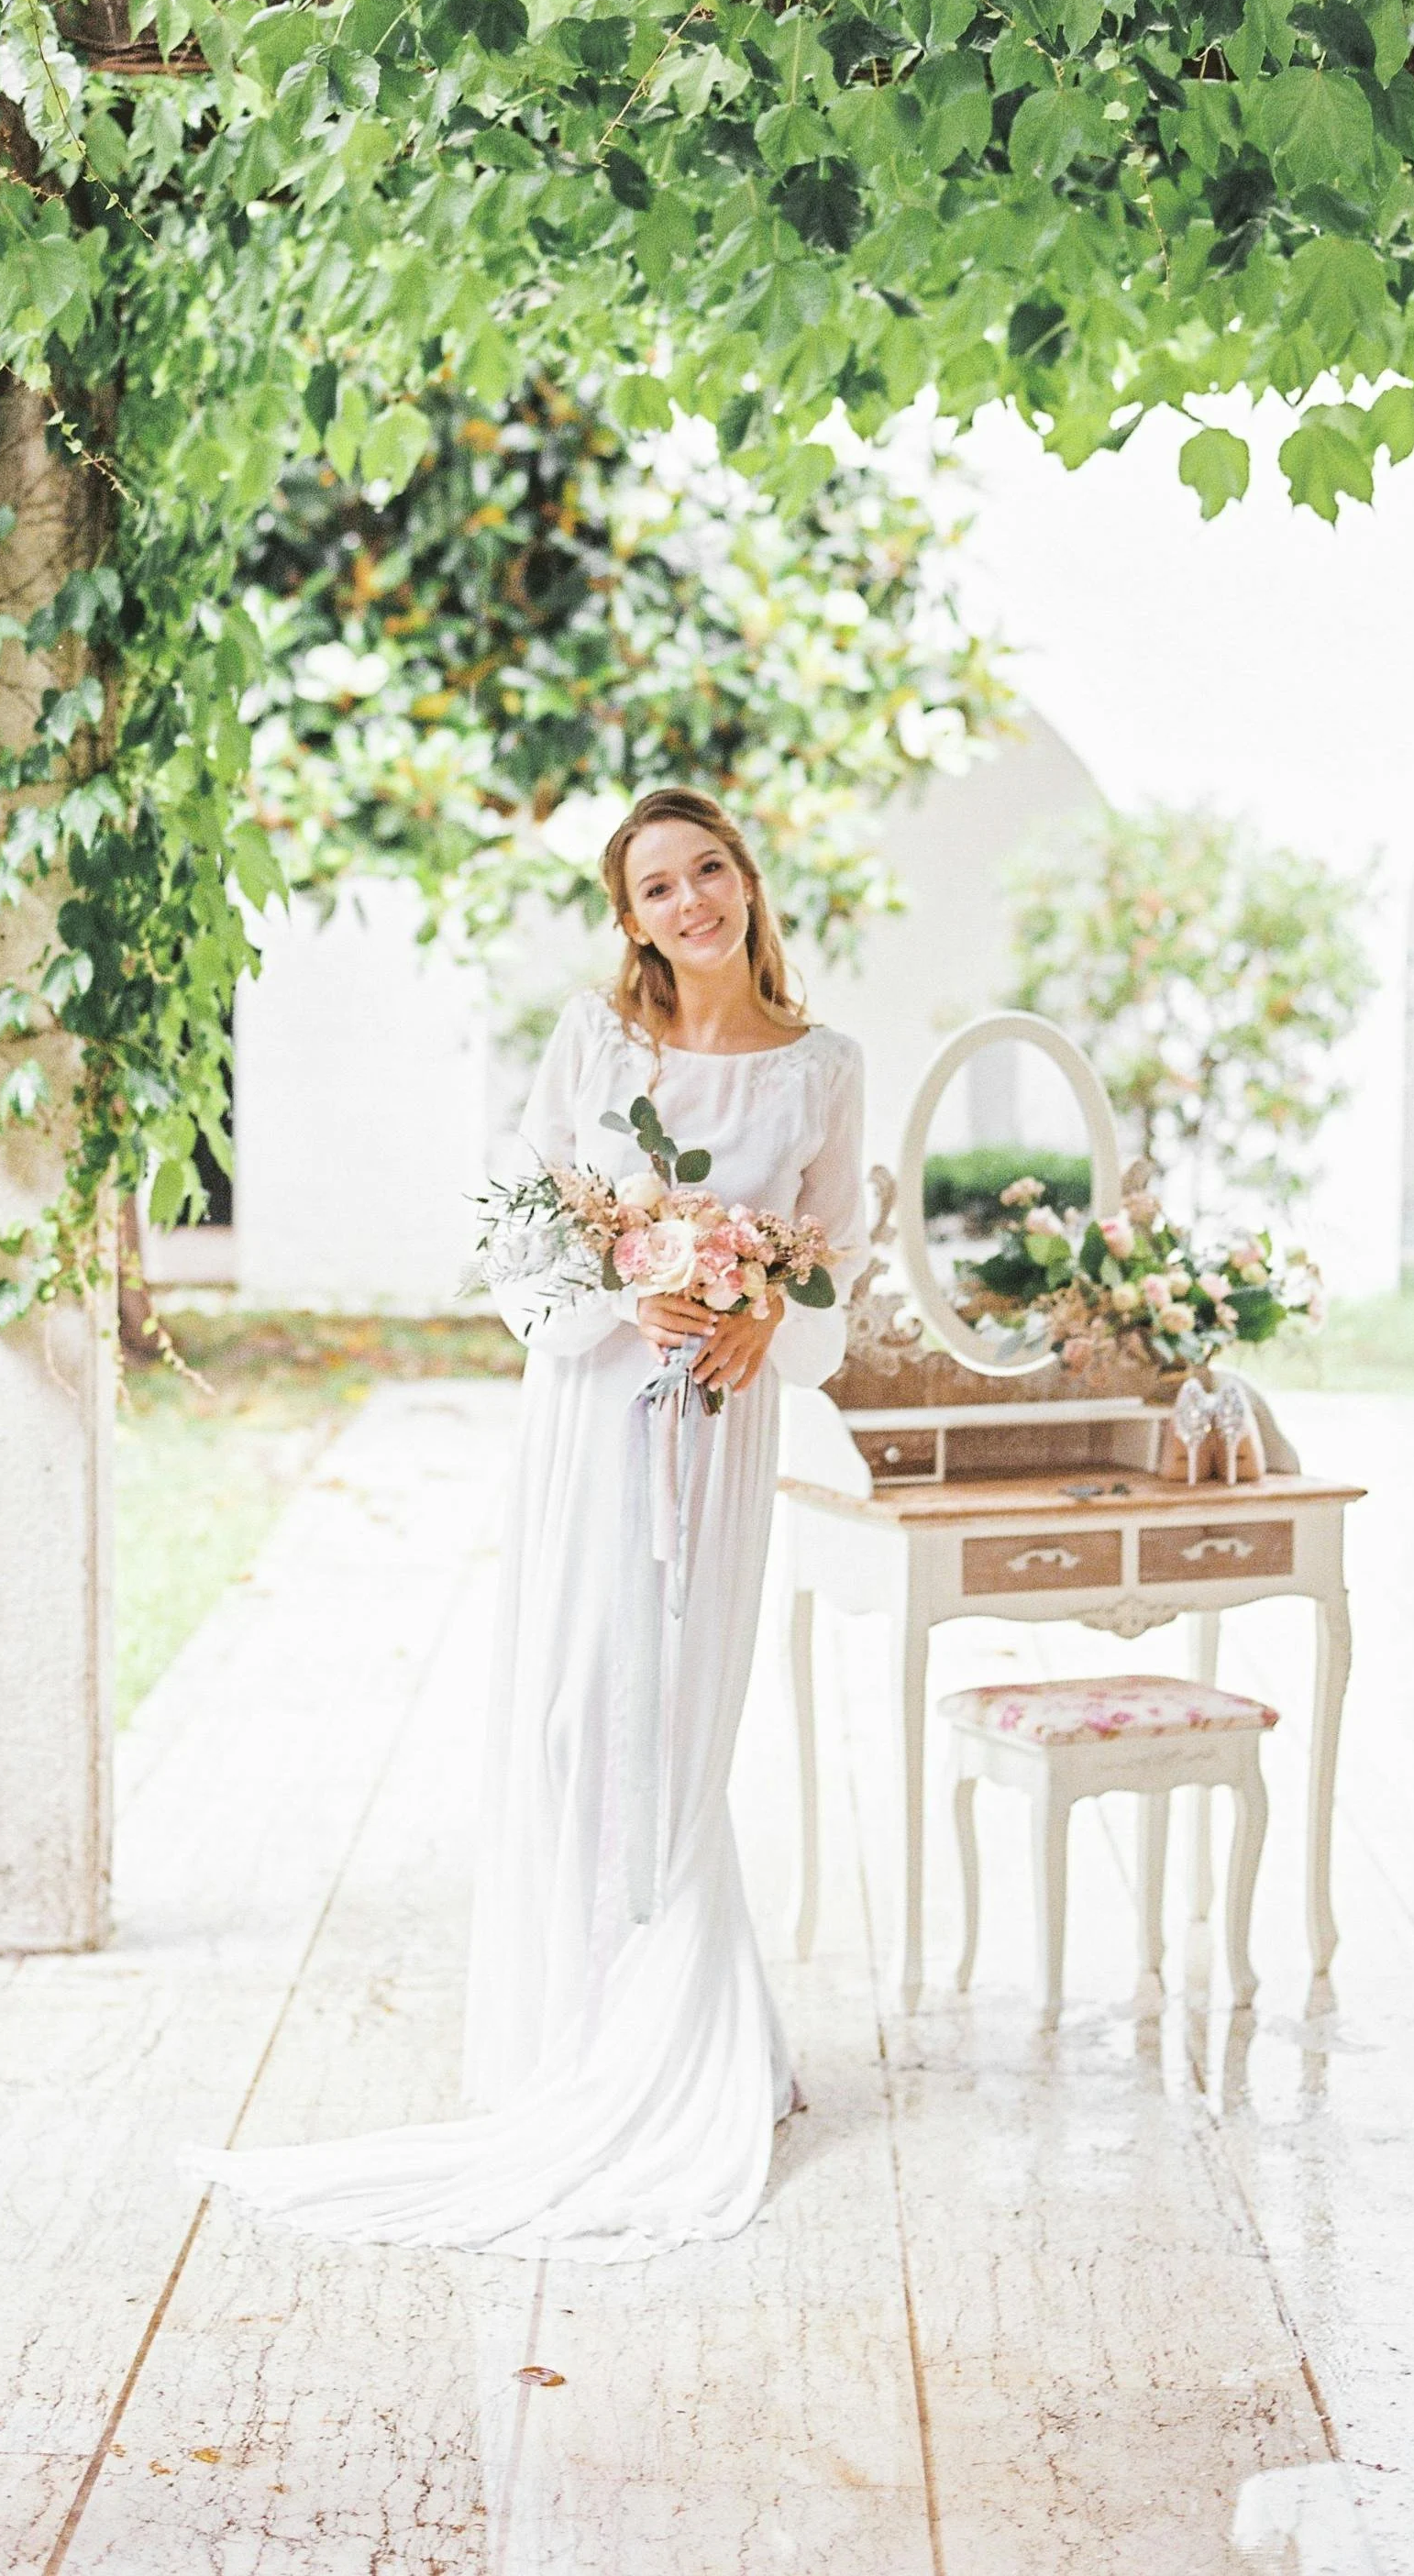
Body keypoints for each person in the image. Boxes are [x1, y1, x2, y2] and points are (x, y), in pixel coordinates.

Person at [183, 786, 867, 2257]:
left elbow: (840, 1259)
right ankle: (596, 2040)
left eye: (710, 871)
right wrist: (628, 1293)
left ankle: (692, 2052)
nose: (691, 902)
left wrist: (768, 1327)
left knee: (676, 1721)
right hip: (595, 1414)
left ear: (748, 883)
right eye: (659, 888)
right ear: (631, 919)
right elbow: (519, 1227)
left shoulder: (823, 1068)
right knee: (575, 1715)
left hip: (719, 1425)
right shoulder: (599, 1045)